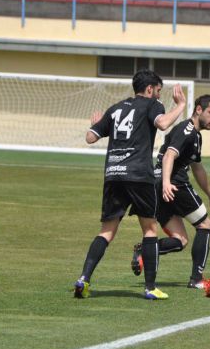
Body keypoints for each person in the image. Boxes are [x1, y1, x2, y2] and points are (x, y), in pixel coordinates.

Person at [74, 69, 186, 300]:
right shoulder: (151, 105)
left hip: (113, 174)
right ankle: (150, 287)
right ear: (149, 89)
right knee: (149, 229)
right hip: (138, 175)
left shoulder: (115, 108)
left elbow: (90, 137)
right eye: (157, 90)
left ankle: (83, 279)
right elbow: (163, 124)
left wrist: (95, 125)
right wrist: (181, 105)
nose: (158, 95)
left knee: (106, 232)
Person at [130, 94, 210, 289]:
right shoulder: (187, 130)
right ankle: (197, 278)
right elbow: (169, 155)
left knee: (180, 240)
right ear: (198, 110)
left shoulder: (196, 136)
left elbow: (198, 168)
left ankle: (143, 251)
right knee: (204, 225)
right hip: (173, 184)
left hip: (160, 185)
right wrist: (166, 183)